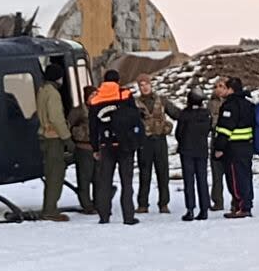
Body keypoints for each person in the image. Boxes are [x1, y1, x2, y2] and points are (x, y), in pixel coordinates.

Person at [89, 69, 140, 225]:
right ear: (118, 80)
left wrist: (95, 148)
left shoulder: (95, 99)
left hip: (105, 144)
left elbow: (93, 127)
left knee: (104, 182)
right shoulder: (125, 95)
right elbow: (135, 118)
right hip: (124, 144)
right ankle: (128, 216)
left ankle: (104, 216)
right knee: (127, 182)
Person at [134, 73, 180, 214]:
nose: (144, 87)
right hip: (144, 142)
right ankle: (143, 204)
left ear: (151, 84)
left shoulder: (162, 100)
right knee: (144, 174)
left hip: (160, 140)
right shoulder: (134, 103)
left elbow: (177, 113)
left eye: (146, 84)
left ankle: (164, 204)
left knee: (163, 174)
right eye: (141, 85)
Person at [36, 63, 74, 221]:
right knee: (55, 175)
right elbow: (56, 118)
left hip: (44, 137)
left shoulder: (42, 90)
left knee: (50, 173)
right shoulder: (53, 94)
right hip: (53, 139)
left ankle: (49, 207)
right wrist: (67, 138)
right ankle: (50, 209)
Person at [213, 76, 256, 218]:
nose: (220, 90)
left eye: (223, 87)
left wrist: (219, 148)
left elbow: (225, 129)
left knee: (236, 179)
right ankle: (246, 204)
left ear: (230, 89)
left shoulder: (230, 105)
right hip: (247, 147)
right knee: (245, 176)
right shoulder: (248, 103)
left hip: (234, 149)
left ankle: (241, 207)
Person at [175, 87, 212, 221]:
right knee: (202, 179)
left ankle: (190, 209)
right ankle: (204, 209)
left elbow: (178, 133)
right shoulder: (206, 114)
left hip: (187, 150)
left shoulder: (185, 114)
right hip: (201, 149)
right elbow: (208, 130)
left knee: (189, 181)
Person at [207, 77, 237, 212]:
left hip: (230, 139)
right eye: (216, 86)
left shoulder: (233, 102)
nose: (218, 89)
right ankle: (217, 201)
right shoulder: (211, 103)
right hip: (215, 137)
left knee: (232, 173)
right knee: (216, 173)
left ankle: (235, 201)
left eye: (221, 86)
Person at [67, 85, 98, 214]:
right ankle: (87, 205)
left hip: (98, 149)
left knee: (98, 178)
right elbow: (68, 125)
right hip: (83, 148)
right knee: (84, 179)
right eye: (91, 95)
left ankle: (99, 203)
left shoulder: (101, 109)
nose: (94, 97)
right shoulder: (78, 111)